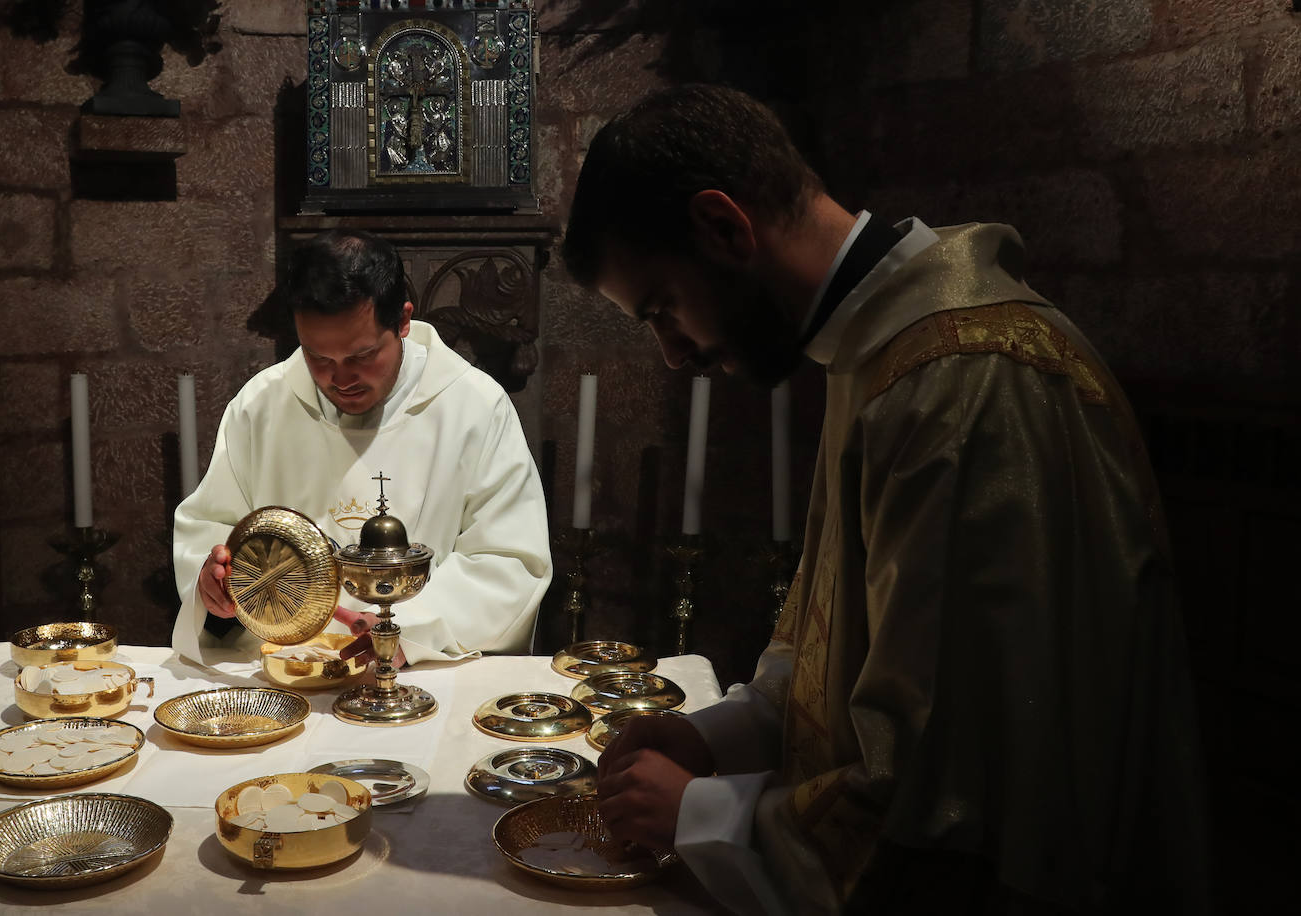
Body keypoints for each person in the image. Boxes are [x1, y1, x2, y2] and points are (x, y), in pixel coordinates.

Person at [564, 84, 1209, 915]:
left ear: (724, 228)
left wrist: (698, 812)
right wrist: (712, 735)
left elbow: (942, 794)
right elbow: (841, 647)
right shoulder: (878, 351)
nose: (671, 353)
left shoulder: (959, 383)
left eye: (661, 308)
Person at [171, 230, 551, 668]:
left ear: (403, 320)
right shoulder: (263, 405)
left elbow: (508, 562)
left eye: (362, 355)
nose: (341, 379)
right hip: (286, 673)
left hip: (420, 674)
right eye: (319, 358)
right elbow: (213, 529)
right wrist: (213, 585)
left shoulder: (475, 407)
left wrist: (404, 629)